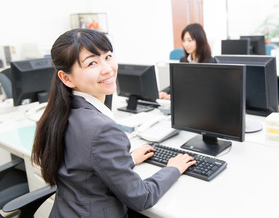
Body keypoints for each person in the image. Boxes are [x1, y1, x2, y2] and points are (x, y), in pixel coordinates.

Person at [31, 29, 196, 217]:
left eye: (108, 57)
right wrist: (173, 168)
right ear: (66, 78)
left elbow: (84, 167)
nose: (107, 68)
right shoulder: (100, 129)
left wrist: (128, 159)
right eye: (92, 62)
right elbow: (141, 197)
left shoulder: (59, 112)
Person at [159, 23, 215, 99]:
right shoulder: (183, 60)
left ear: (199, 40)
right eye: (184, 41)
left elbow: (203, 91)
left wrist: (177, 96)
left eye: (189, 40)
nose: (186, 44)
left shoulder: (211, 62)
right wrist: (164, 92)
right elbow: (177, 84)